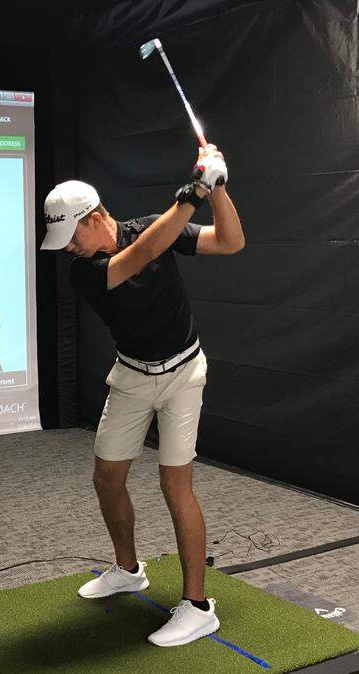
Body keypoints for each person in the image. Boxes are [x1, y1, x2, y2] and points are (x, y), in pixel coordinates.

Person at [40, 144, 242, 647]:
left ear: (94, 218)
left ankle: (198, 607)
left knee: (176, 485)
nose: (68, 248)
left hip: (183, 374)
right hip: (131, 374)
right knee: (107, 476)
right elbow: (142, 255)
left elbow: (231, 242)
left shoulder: (154, 226)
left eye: (71, 235)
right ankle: (129, 570)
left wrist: (217, 188)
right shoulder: (84, 271)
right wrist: (193, 191)